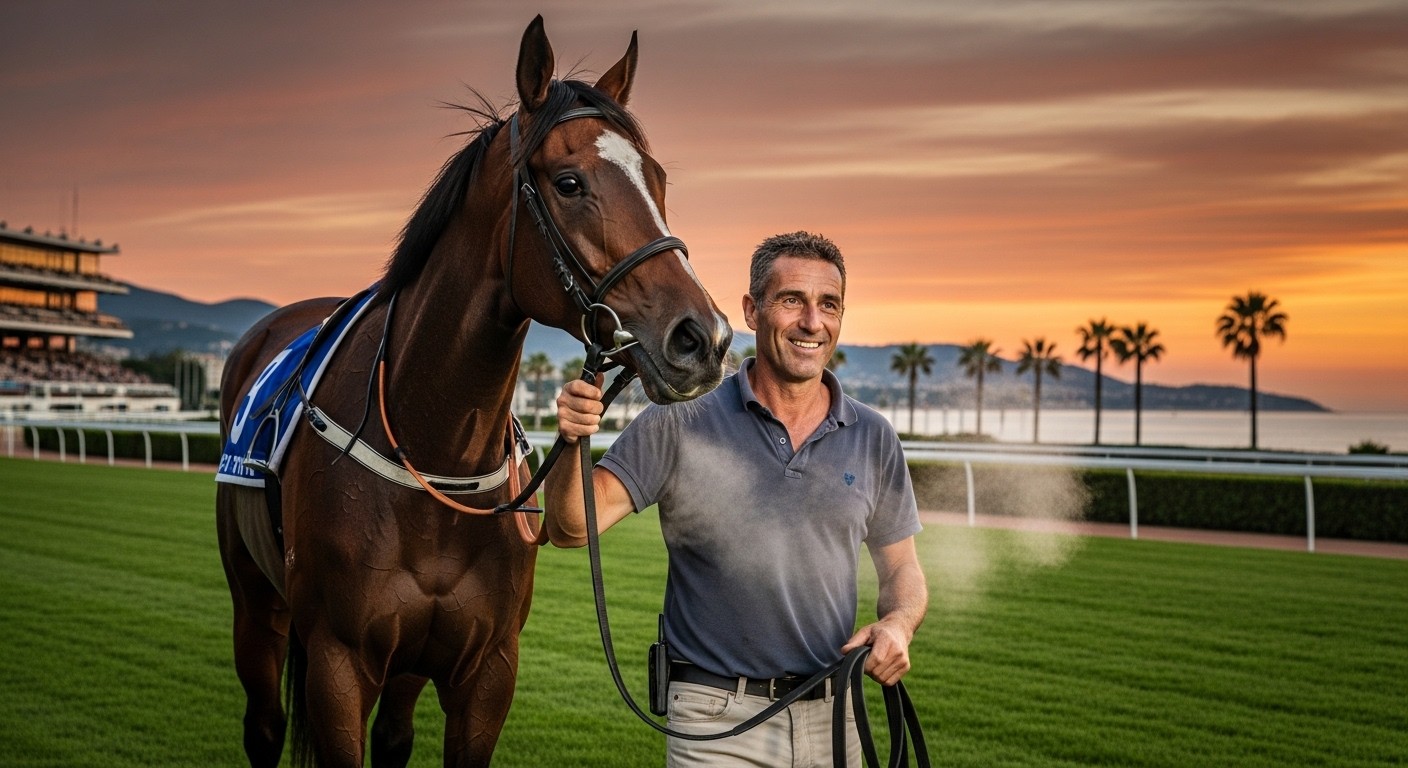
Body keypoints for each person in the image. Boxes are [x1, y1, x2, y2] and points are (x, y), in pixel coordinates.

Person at [546, 231, 928, 767]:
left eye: (828, 305)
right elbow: (570, 527)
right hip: (716, 718)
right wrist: (571, 440)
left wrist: (898, 624)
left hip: (834, 717)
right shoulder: (681, 418)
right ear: (752, 310)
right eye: (792, 300)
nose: (812, 322)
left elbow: (902, 569)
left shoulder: (873, 436)